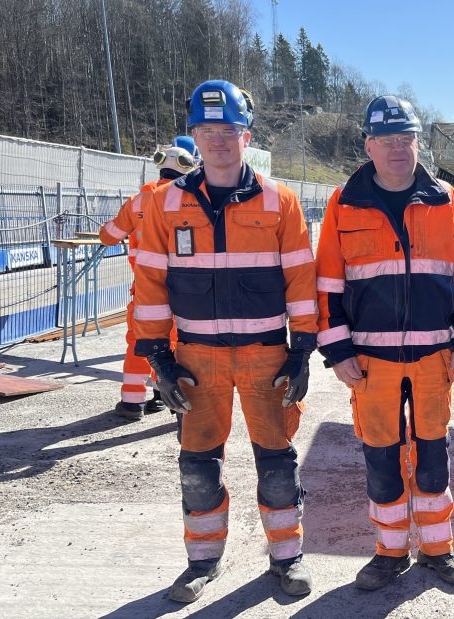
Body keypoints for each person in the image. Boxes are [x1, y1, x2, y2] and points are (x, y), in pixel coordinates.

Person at [132, 80, 318, 603]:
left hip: (265, 353)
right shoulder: (165, 205)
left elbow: (301, 279)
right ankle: (202, 561)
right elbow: (148, 283)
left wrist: (303, 351)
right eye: (208, 131)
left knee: (278, 462)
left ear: (246, 136)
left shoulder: (279, 201)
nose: (218, 141)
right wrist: (158, 360)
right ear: (194, 135)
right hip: (196, 355)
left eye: (229, 131)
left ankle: (287, 557)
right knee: (197, 464)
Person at [315, 95, 454, 591]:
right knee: (382, 456)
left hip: (435, 357)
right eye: (388, 140)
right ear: (368, 145)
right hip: (371, 363)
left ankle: (437, 549)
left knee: (433, 455)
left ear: (417, 144)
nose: (398, 149)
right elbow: (327, 283)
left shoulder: (445, 200)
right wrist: (338, 351)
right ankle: (390, 552)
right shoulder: (343, 203)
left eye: (407, 139)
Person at [100, 137, 198, 420]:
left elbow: (108, 236)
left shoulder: (138, 201)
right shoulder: (192, 201)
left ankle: (132, 402)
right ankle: (166, 398)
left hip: (145, 286)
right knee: (178, 344)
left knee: (141, 340)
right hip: (187, 288)